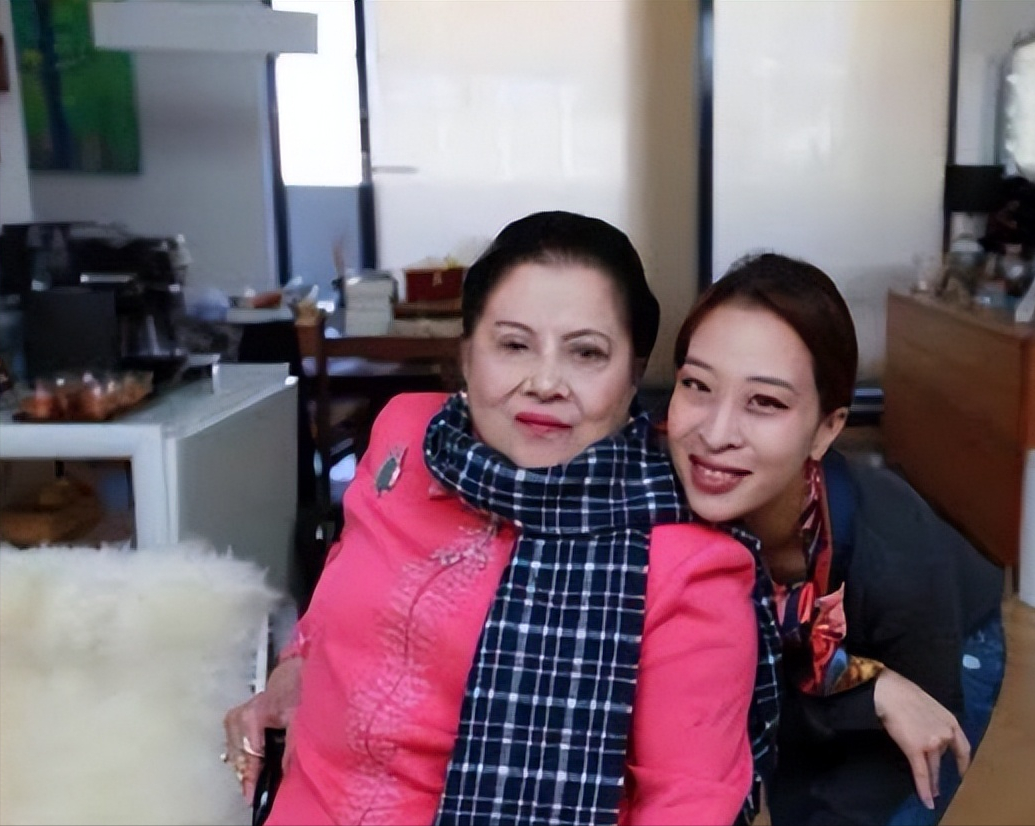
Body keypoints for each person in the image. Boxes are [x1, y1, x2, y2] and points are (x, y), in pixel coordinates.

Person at [223, 212, 780, 826]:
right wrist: (297, 665)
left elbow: (690, 804)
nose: (545, 382)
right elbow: (349, 568)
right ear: (467, 353)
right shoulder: (406, 435)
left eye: (587, 353)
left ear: (632, 373)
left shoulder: (688, 565)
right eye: (514, 345)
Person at [664, 253, 1005, 826]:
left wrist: (874, 691)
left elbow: (921, 702)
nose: (715, 435)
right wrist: (868, 691)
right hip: (812, 664)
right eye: (697, 385)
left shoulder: (894, 553)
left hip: (933, 652)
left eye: (765, 402)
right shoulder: (648, 489)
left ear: (827, 428)